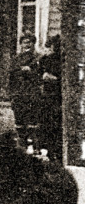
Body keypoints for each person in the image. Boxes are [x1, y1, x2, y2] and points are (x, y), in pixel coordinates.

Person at [8, 33, 41, 152]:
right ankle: (22, 148)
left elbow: (40, 76)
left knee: (34, 123)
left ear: (34, 44)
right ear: (21, 44)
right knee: (20, 123)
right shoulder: (16, 59)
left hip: (33, 94)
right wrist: (11, 95)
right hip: (19, 94)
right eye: (25, 42)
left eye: (30, 42)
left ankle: (36, 148)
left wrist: (31, 71)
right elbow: (11, 78)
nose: (27, 45)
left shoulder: (39, 59)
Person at [38, 35, 63, 165]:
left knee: (57, 125)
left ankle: (58, 153)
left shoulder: (63, 60)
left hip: (58, 97)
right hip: (46, 96)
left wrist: (54, 79)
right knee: (47, 125)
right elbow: (38, 74)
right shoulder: (45, 60)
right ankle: (49, 151)